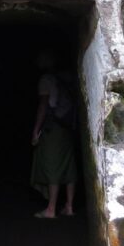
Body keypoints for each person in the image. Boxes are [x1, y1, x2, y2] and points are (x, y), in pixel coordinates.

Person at [30, 52, 78, 219]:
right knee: (69, 165)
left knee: (53, 166)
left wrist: (36, 129)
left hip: (53, 128)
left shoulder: (46, 80)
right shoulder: (69, 78)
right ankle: (69, 206)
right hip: (68, 126)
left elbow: (44, 105)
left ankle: (50, 209)